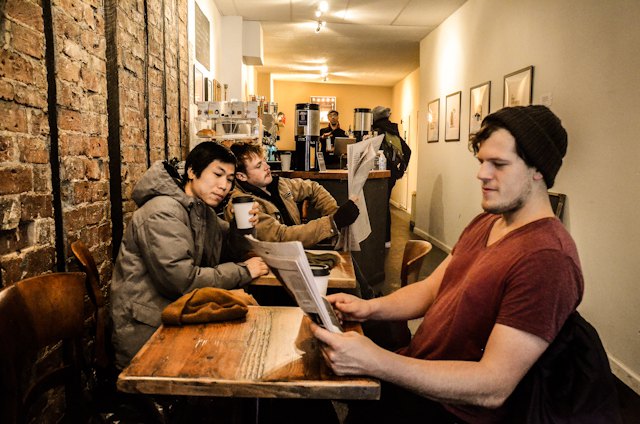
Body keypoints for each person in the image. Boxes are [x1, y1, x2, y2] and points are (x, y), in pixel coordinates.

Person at [311, 105, 584, 423]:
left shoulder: (547, 259)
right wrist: (368, 308)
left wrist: (377, 361)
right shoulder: (488, 221)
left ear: (539, 170)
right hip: (415, 376)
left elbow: (493, 386)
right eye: (482, 162)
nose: (482, 174)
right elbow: (432, 288)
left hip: (450, 410)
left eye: (498, 164)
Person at [110, 142, 269, 369]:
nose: (224, 186)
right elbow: (181, 281)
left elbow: (227, 249)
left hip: (176, 316)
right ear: (192, 172)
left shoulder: (199, 209)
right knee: (242, 357)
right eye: (217, 175)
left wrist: (243, 226)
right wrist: (244, 271)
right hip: (148, 331)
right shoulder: (162, 211)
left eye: (229, 179)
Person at [224, 142, 360, 249]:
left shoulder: (278, 184)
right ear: (241, 176)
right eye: (259, 166)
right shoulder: (242, 204)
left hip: (299, 251)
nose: (267, 167)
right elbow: (281, 237)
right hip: (275, 262)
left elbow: (313, 188)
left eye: (264, 161)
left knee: (349, 262)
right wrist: (333, 222)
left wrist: (333, 212)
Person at [371, 105, 411, 247]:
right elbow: (408, 150)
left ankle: (378, 238)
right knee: (385, 204)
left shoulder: (377, 131)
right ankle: (386, 239)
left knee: (377, 206)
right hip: (391, 174)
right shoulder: (393, 131)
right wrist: (400, 171)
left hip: (378, 174)